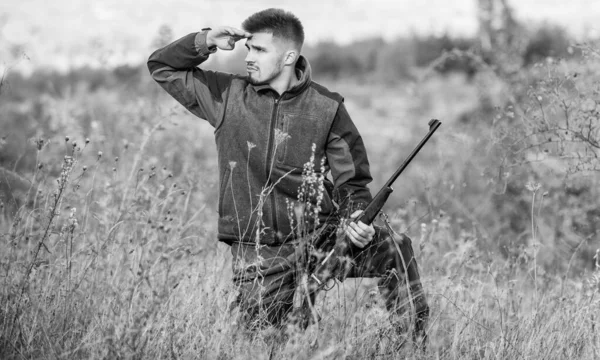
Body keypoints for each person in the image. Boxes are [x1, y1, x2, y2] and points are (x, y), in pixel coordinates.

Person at [148, 8, 429, 345]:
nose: (248, 58)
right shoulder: (225, 96)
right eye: (248, 49)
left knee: (396, 248)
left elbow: (352, 181)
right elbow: (161, 66)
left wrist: (356, 216)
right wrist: (205, 40)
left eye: (260, 50)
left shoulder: (327, 107)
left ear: (289, 56)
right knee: (263, 339)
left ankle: (410, 345)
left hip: (321, 235)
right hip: (259, 248)